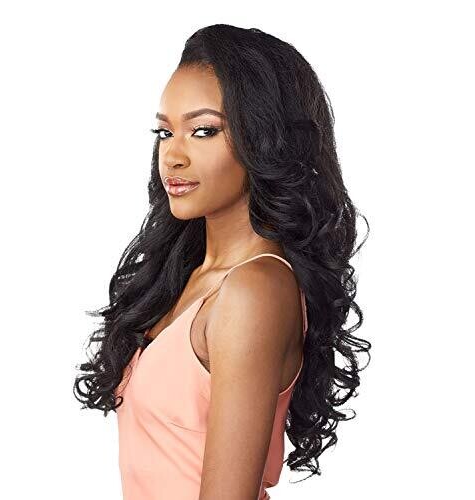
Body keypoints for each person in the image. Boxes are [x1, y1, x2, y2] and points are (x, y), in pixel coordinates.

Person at [74, 23, 370, 500]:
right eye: (165, 131)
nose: (172, 155)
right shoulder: (189, 275)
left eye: (204, 131)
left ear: (264, 140)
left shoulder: (254, 289)